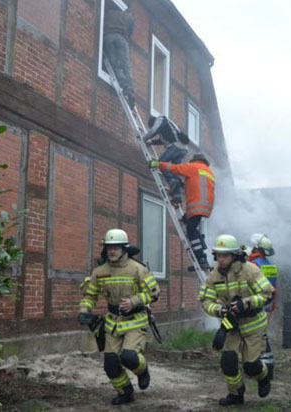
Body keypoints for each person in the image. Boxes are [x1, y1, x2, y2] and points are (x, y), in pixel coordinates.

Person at [78, 229, 160, 405]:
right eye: (109, 248)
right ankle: (125, 391)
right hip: (113, 323)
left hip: (135, 321)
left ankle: (143, 371)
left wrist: (135, 301)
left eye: (116, 247)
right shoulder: (100, 271)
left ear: (124, 249)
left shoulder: (138, 269)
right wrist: (84, 310)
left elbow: (154, 293)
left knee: (129, 357)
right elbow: (90, 296)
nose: (112, 251)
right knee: (110, 363)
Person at [199, 234, 275, 406]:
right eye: (218, 255)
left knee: (251, 366)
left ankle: (264, 377)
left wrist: (246, 304)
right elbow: (205, 301)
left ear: (234, 255)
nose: (221, 259)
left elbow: (267, 293)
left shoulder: (250, 270)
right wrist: (219, 310)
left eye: (225, 255)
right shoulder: (214, 276)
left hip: (253, 324)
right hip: (232, 325)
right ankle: (236, 394)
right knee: (228, 362)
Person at [149, 153, 215, 270]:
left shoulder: (194, 166)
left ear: (196, 160)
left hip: (196, 206)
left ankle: (200, 258)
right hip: (205, 206)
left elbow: (175, 168)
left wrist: (158, 164)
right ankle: (202, 250)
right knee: (188, 222)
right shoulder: (209, 172)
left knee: (190, 231)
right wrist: (183, 184)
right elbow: (197, 186)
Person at [247, 233, 278, 380]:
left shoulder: (254, 265)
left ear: (257, 248)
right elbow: (274, 288)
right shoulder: (271, 266)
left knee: (256, 337)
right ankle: (268, 366)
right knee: (262, 335)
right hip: (267, 305)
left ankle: (263, 370)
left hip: (256, 305)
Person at [143, 115, 190, 203]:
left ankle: (172, 181)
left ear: (153, 122)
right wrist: (151, 142)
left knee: (160, 164)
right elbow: (162, 140)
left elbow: (154, 130)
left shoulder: (161, 119)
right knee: (174, 171)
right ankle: (177, 196)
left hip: (175, 146)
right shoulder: (168, 126)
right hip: (183, 150)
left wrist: (144, 139)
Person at [103, 1, 136, 109]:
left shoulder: (108, 13)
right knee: (125, 65)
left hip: (108, 37)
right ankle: (129, 89)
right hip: (121, 39)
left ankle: (125, 85)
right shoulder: (128, 16)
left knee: (114, 64)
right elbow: (130, 32)